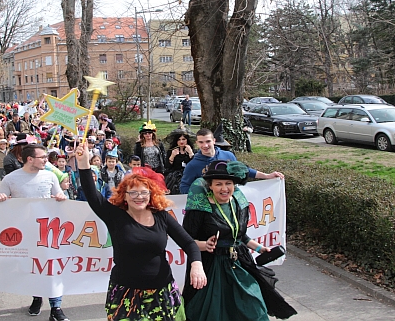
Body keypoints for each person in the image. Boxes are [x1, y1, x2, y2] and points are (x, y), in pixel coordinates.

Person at [73, 141, 207, 320]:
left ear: (152, 195)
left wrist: (196, 265)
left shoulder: (161, 217)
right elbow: (92, 195)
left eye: (144, 193)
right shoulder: (115, 216)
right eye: (133, 193)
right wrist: (83, 163)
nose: (139, 197)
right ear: (125, 196)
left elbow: (189, 243)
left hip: (162, 293)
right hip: (126, 294)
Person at [181, 160, 297, 321]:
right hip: (211, 266)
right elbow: (185, 239)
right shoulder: (200, 208)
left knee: (254, 305)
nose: (224, 188)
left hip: (239, 262)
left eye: (228, 183)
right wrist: (204, 245)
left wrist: (259, 249)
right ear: (210, 186)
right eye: (218, 184)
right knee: (212, 312)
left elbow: (240, 235)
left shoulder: (238, 203)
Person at [0, 144, 69, 320]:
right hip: (26, 232)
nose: (46, 160)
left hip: (48, 232)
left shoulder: (50, 176)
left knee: (52, 267)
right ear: (30, 159)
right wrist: (0, 198)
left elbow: (61, 198)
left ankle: (56, 308)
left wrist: (61, 197)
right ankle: (36, 297)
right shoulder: (11, 179)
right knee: (33, 268)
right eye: (42, 157)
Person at [179, 128, 284, 195]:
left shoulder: (228, 156)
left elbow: (244, 171)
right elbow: (184, 187)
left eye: (208, 141)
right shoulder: (192, 165)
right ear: (197, 143)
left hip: (230, 202)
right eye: (201, 142)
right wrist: (202, 195)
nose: (205, 145)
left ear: (214, 141)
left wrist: (267, 176)